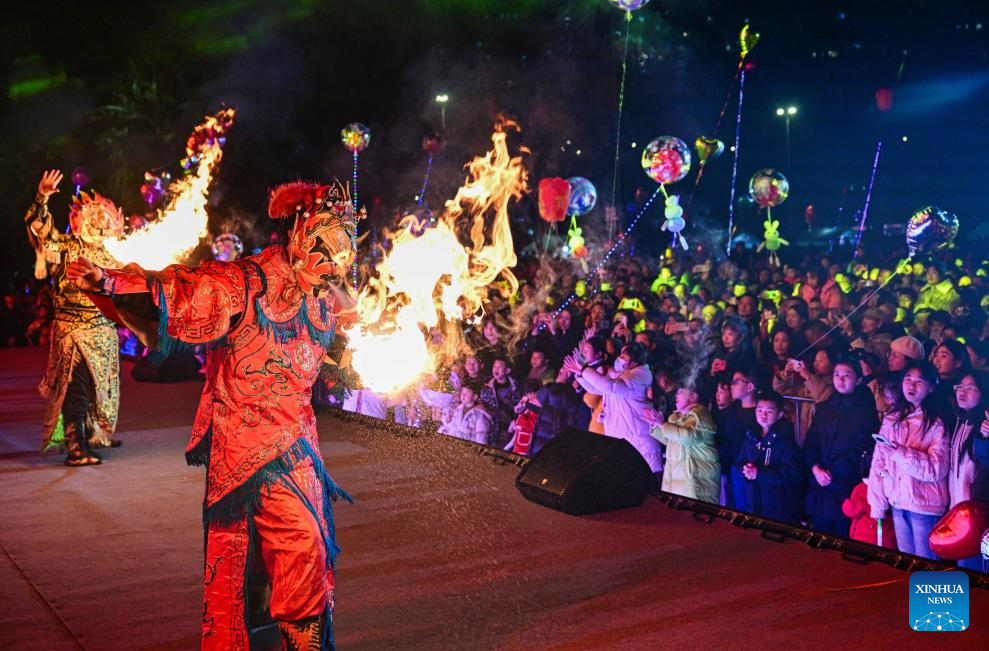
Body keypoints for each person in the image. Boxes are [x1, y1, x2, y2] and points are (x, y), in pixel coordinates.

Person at [68, 180, 359, 647]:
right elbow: (180, 295)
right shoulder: (245, 282)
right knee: (291, 548)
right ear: (298, 232)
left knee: (305, 553)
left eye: (343, 249)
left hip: (300, 447)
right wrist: (110, 282)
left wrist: (360, 360)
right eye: (326, 244)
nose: (336, 261)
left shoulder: (327, 299)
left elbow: (337, 362)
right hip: (245, 446)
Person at [25, 169, 124, 465]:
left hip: (104, 332)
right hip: (74, 331)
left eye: (104, 219)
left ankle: (94, 434)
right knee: (76, 388)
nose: (99, 224)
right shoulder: (68, 247)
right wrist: (42, 197)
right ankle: (75, 446)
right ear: (79, 221)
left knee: (99, 387)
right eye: (93, 218)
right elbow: (41, 232)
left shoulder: (114, 255)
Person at [867, 360, 949, 561]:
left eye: (919, 381)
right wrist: (877, 502)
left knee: (926, 565)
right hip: (898, 501)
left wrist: (900, 453)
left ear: (931, 387)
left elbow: (936, 468)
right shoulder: (892, 418)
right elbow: (879, 462)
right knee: (906, 562)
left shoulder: (937, 423)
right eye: (908, 379)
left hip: (925, 506)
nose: (911, 385)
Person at [802, 355, 880, 537]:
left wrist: (831, 472)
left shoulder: (865, 411)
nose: (840, 380)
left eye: (847, 375)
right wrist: (815, 467)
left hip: (845, 486)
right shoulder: (826, 407)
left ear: (858, 379)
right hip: (820, 484)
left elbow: (862, 448)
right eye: (837, 374)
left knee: (844, 536)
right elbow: (812, 439)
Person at [565, 342, 663, 474]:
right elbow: (596, 388)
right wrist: (580, 373)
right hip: (625, 442)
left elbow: (610, 386)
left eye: (623, 357)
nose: (619, 359)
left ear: (634, 362)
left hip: (640, 445)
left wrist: (585, 369)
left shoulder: (637, 377)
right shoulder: (624, 374)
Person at [731, 390, 802, 524]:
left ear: (780, 414)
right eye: (759, 410)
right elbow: (740, 462)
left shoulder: (786, 441)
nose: (763, 415)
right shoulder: (751, 436)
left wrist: (758, 473)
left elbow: (790, 474)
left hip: (778, 508)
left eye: (769, 412)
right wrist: (745, 470)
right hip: (753, 502)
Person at [644, 385, 720, 503]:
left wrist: (663, 424)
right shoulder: (679, 418)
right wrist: (655, 425)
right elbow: (672, 441)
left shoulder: (700, 415)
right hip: (679, 484)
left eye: (680, 391)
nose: (676, 395)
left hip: (695, 487)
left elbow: (687, 437)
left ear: (693, 396)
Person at [947, 371, 989, 570]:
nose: (962, 392)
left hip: (976, 515)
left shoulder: (983, 424)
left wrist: (985, 438)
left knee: (972, 570)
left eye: (970, 388)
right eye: (960, 387)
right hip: (957, 512)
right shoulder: (959, 420)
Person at [715, 366, 759, 507]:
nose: (732, 385)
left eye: (736, 381)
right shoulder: (730, 412)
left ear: (750, 387)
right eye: (732, 382)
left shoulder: (760, 413)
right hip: (733, 468)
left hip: (754, 469)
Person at [479, 356, 520, 448]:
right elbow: (482, 403)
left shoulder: (515, 386)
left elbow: (518, 405)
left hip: (508, 428)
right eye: (494, 366)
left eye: (500, 367)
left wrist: (515, 420)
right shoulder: (487, 386)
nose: (496, 369)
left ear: (507, 370)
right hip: (491, 427)